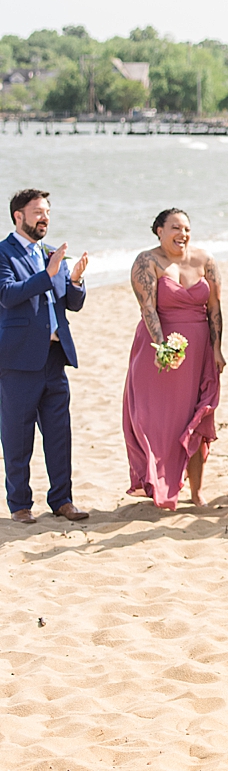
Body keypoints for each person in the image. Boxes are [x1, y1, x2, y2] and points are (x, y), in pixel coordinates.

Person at [123, 209, 224, 510]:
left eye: (186, 228)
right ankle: (161, 484)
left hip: (199, 353)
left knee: (197, 418)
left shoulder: (205, 260)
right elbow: (148, 309)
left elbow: (215, 309)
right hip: (160, 354)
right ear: (159, 231)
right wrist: (162, 348)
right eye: (175, 228)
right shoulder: (146, 261)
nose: (182, 234)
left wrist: (217, 349)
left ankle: (196, 491)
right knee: (159, 421)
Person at [0, 189, 89, 524]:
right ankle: (20, 505)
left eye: (47, 212)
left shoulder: (51, 254)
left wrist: (75, 280)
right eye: (38, 211)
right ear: (18, 216)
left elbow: (72, 304)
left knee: (58, 434)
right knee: (17, 436)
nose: (44, 218)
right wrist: (47, 275)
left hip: (55, 358)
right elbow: (7, 295)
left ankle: (62, 501)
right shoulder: (3, 253)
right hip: (18, 360)